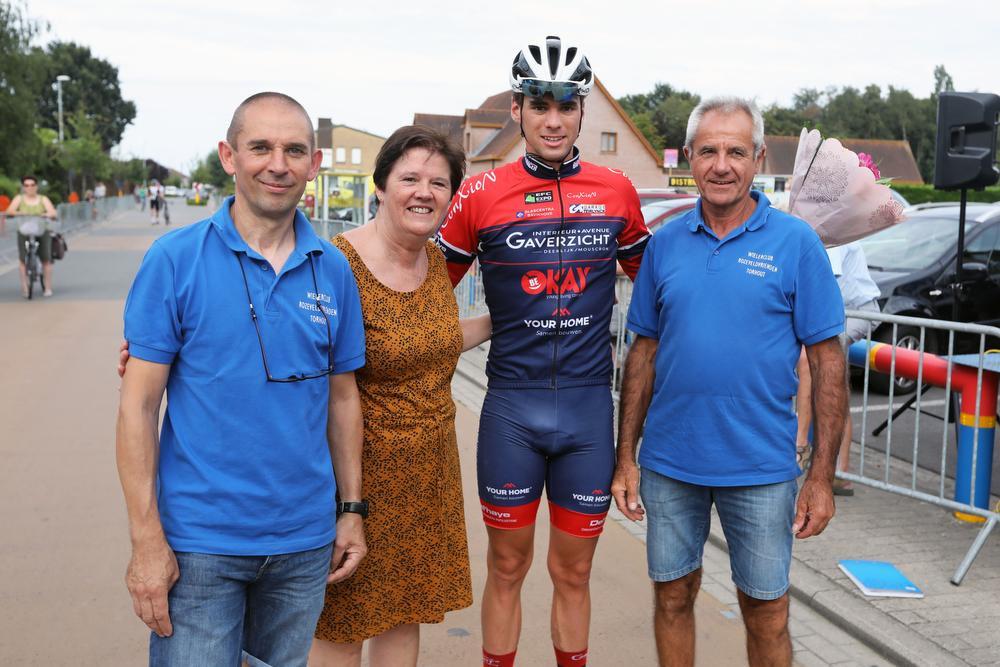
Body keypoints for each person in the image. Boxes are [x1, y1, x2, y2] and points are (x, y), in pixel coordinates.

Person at [115, 91, 368, 667]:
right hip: (200, 544)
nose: (277, 164)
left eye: (294, 150)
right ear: (229, 157)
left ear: (314, 164)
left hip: (304, 543)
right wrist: (145, 540)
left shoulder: (332, 268)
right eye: (260, 147)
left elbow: (343, 397)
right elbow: (137, 408)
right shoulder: (173, 259)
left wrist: (351, 510)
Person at [435, 36, 651, 667]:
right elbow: (415, 291)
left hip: (587, 414)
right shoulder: (480, 194)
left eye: (565, 105)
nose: (552, 119)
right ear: (518, 111)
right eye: (538, 104)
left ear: (582, 110)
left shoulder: (615, 192)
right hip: (510, 411)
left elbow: (666, 290)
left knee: (573, 574)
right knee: (506, 567)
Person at [612, 96, 847, 667]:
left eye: (736, 151)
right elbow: (641, 354)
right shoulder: (664, 244)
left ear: (759, 157)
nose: (722, 165)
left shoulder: (795, 244)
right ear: (690, 157)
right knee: (672, 597)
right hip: (670, 464)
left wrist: (821, 476)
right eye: (710, 150)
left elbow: (828, 365)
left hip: (762, 469)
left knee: (767, 611)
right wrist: (626, 458)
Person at [308, 126, 491, 667]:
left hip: (427, 473)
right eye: (409, 178)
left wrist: (508, 320)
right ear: (381, 186)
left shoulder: (434, 261)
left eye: (438, 182)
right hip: (358, 477)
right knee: (341, 623)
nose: (424, 192)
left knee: (403, 614)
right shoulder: (335, 265)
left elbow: (430, 339)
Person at [796, 241, 881, 496]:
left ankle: (801, 445)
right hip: (841, 311)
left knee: (811, 364)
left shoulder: (831, 236)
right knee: (832, 388)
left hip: (854, 312)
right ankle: (840, 472)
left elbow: (823, 283)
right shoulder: (814, 231)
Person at [8, 175, 58, 297]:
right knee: (22, 259)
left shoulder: (43, 199)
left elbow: (53, 212)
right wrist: (21, 212)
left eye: (32, 185)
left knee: (46, 259)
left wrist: (46, 214)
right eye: (26, 185)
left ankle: (47, 287)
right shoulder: (19, 199)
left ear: (36, 186)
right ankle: (25, 286)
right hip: (24, 230)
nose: (29, 188)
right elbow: (10, 211)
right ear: (23, 187)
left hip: (41, 229)